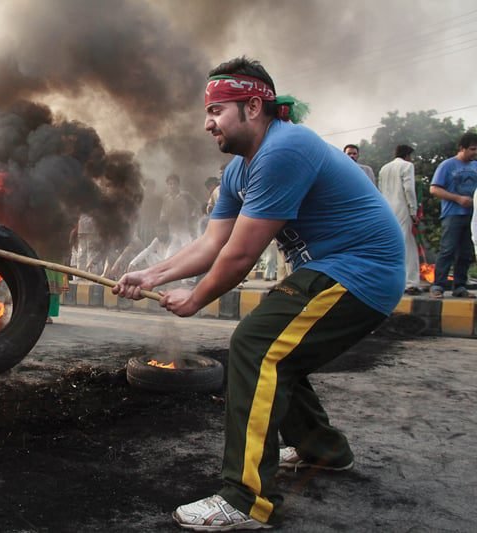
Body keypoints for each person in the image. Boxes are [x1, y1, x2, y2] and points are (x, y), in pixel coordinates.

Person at [114, 57, 404, 531]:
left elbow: (240, 256)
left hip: (361, 271)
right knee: (277, 350)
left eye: (217, 111)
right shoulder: (236, 173)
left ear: (253, 107)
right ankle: (323, 451)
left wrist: (195, 299)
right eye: (207, 113)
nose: (208, 124)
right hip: (329, 271)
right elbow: (212, 243)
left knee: (254, 345)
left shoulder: (286, 148)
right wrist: (153, 275)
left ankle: (246, 500)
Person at [429, 132, 477, 299]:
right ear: (461, 148)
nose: (475, 153)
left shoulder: (475, 166)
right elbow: (434, 189)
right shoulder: (447, 165)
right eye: (472, 149)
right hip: (453, 214)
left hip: (472, 216)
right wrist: (458, 198)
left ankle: (460, 286)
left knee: (465, 252)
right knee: (447, 250)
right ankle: (438, 286)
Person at [378, 145, 421, 295]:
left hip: (387, 210)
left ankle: (389, 280)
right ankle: (410, 282)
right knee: (407, 245)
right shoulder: (407, 166)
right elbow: (408, 189)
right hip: (402, 207)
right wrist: (413, 210)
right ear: (407, 155)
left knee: (391, 245)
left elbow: (380, 190)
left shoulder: (384, 168)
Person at [160, 173, 196, 249]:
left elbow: (196, 205)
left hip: (184, 227)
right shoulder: (166, 198)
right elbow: (163, 212)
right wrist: (163, 222)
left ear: (178, 184)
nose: (172, 186)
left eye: (174, 184)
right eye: (170, 184)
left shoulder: (186, 195)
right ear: (167, 185)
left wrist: (192, 215)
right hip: (171, 228)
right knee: (171, 250)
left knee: (186, 248)